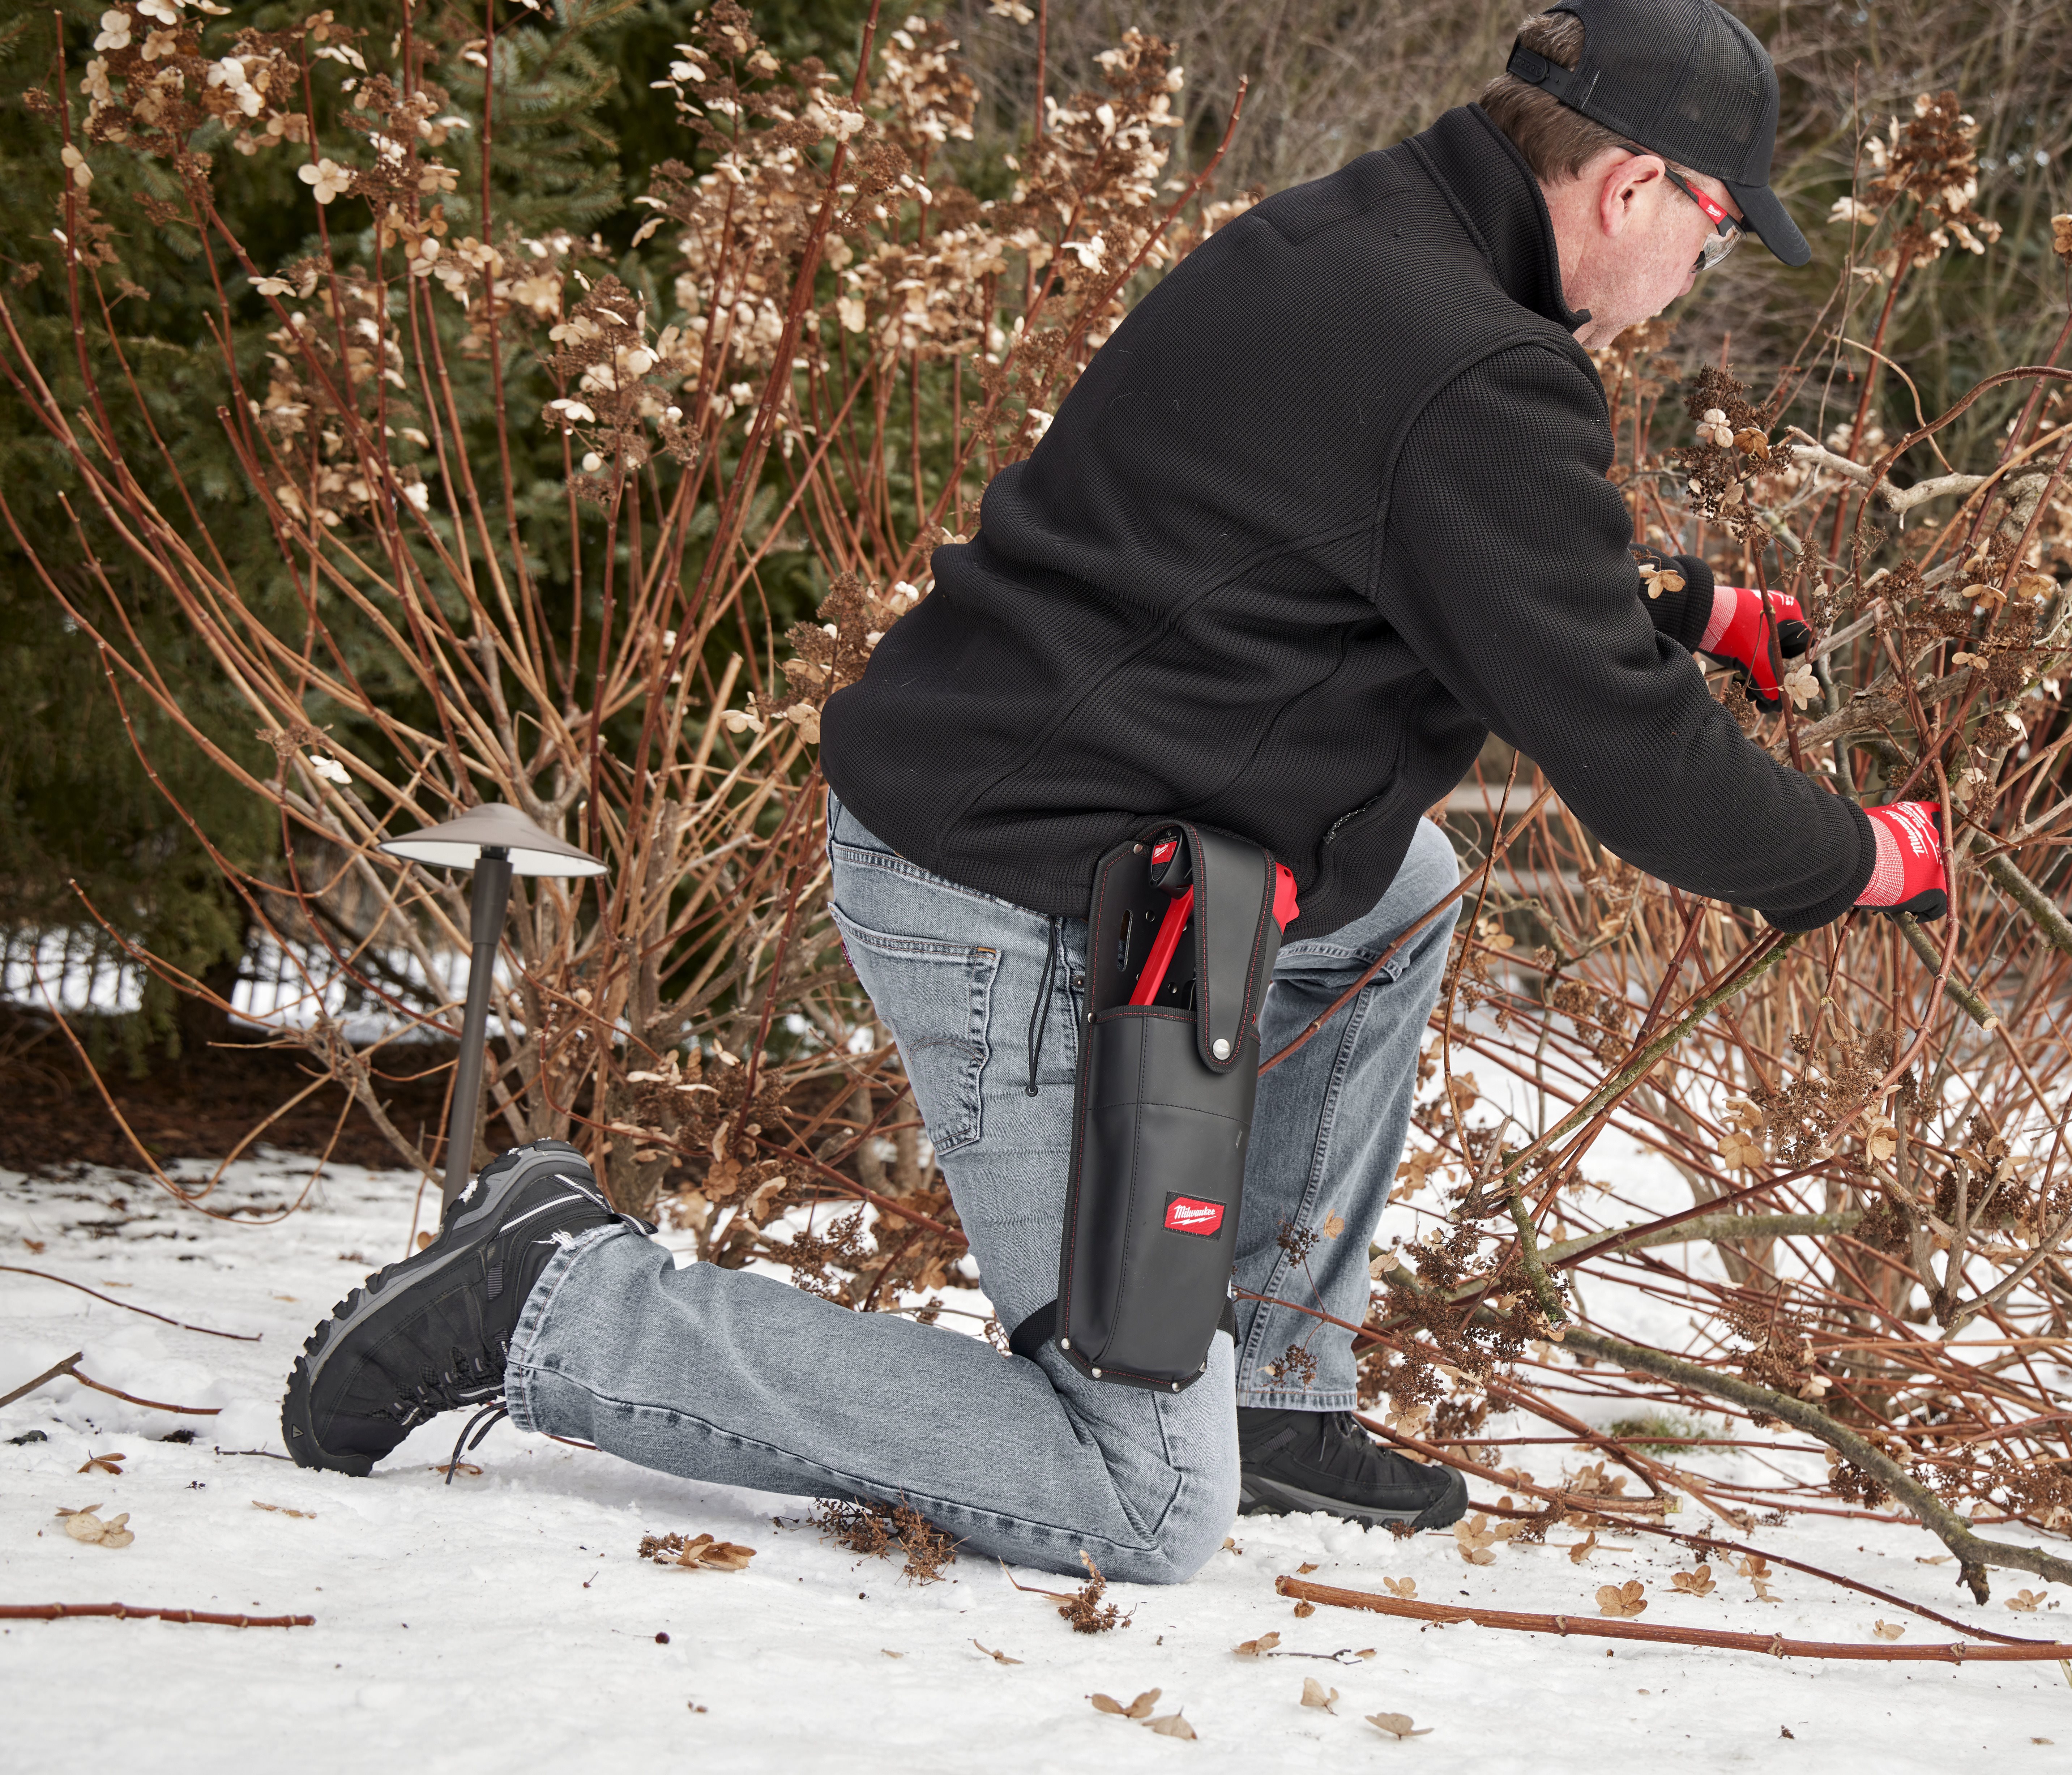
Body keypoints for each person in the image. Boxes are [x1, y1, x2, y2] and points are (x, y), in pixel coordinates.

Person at [279, 0, 1948, 1583]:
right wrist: (1858, 858)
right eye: (1719, 228)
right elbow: (1638, 765)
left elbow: (1351, 550)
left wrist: (1674, 608)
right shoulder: (1478, 365)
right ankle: (551, 1303)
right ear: (1633, 183)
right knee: (1140, 1499)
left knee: (1405, 887)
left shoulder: (1361, 236)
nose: (1705, 268)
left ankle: (1280, 1389)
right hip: (1018, 894)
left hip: (1071, 806)